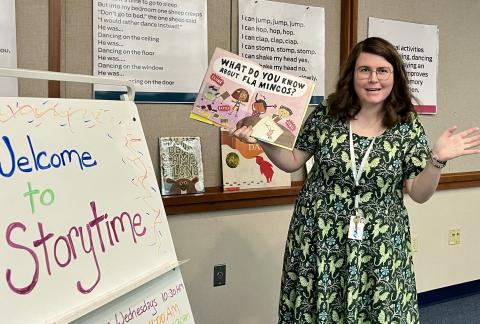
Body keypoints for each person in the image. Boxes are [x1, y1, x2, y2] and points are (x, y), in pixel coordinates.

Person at [231, 37, 480, 323]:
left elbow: (419, 193)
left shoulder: (406, 125)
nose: (373, 79)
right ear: (352, 75)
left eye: (382, 70)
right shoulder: (327, 114)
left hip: (381, 240)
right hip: (319, 235)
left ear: (394, 76)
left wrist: (437, 160)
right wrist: (263, 139)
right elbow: (292, 161)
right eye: (364, 70)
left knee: (381, 311)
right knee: (317, 308)